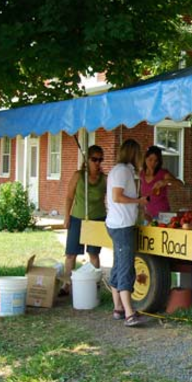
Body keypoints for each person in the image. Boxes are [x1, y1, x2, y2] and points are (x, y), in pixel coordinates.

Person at [106, 139, 149, 327]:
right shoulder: (122, 172)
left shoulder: (120, 170)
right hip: (122, 226)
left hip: (117, 224)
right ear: (133, 153)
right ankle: (130, 313)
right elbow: (117, 196)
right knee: (125, 268)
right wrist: (139, 201)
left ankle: (118, 308)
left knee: (118, 266)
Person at [62, 145, 107, 292]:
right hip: (77, 218)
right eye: (94, 159)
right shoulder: (78, 176)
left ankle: (94, 283)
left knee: (94, 253)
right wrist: (66, 216)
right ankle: (67, 284)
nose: (97, 163)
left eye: (100, 160)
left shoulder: (104, 179)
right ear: (87, 160)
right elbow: (69, 197)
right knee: (71, 253)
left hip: (97, 218)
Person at [140, 145, 184, 221]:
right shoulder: (142, 174)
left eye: (156, 161)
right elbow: (142, 195)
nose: (153, 163)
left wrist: (165, 181)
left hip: (162, 215)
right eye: (150, 160)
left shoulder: (162, 173)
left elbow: (180, 184)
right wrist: (143, 211)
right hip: (148, 216)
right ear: (145, 159)